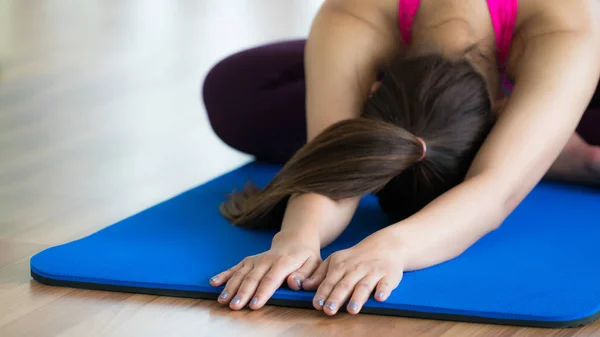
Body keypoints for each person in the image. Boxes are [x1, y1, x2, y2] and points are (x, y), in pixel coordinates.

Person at [202, 0, 600, 316]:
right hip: (430, 48)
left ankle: (543, 139)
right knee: (235, 90)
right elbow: (336, 154)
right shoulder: (355, 10)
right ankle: (541, 141)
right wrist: (296, 239)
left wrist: (394, 246)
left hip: (560, 55)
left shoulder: (567, 22)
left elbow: (494, 191)